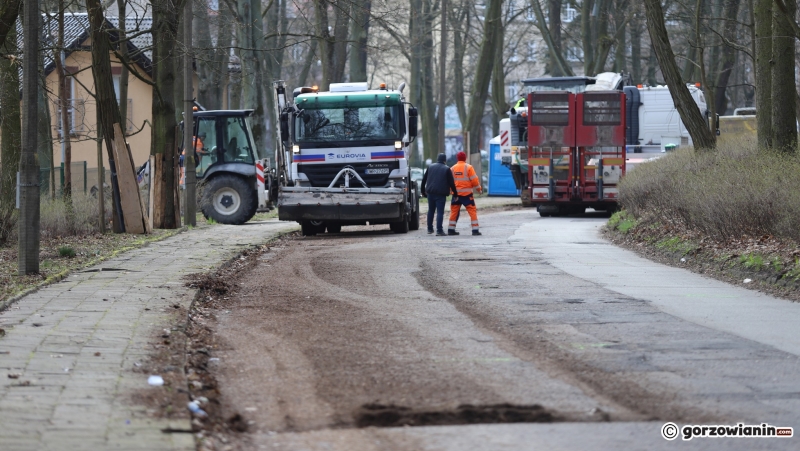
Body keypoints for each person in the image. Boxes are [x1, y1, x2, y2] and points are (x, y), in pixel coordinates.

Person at [421, 153, 458, 236]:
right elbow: (452, 183)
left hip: (430, 192)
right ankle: (439, 230)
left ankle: (430, 228)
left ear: (437, 159)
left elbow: (424, 180)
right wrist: (455, 194)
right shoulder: (446, 169)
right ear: (445, 160)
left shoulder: (430, 167)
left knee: (431, 210)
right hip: (441, 194)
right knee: (440, 212)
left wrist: (423, 191)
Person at [448, 151, 483, 236]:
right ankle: (475, 230)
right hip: (467, 195)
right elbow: (474, 180)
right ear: (465, 158)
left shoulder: (452, 168)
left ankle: (451, 229)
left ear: (457, 158)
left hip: (456, 195)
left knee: (454, 212)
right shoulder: (469, 167)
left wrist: (450, 191)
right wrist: (479, 190)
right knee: (472, 211)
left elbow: (449, 181)